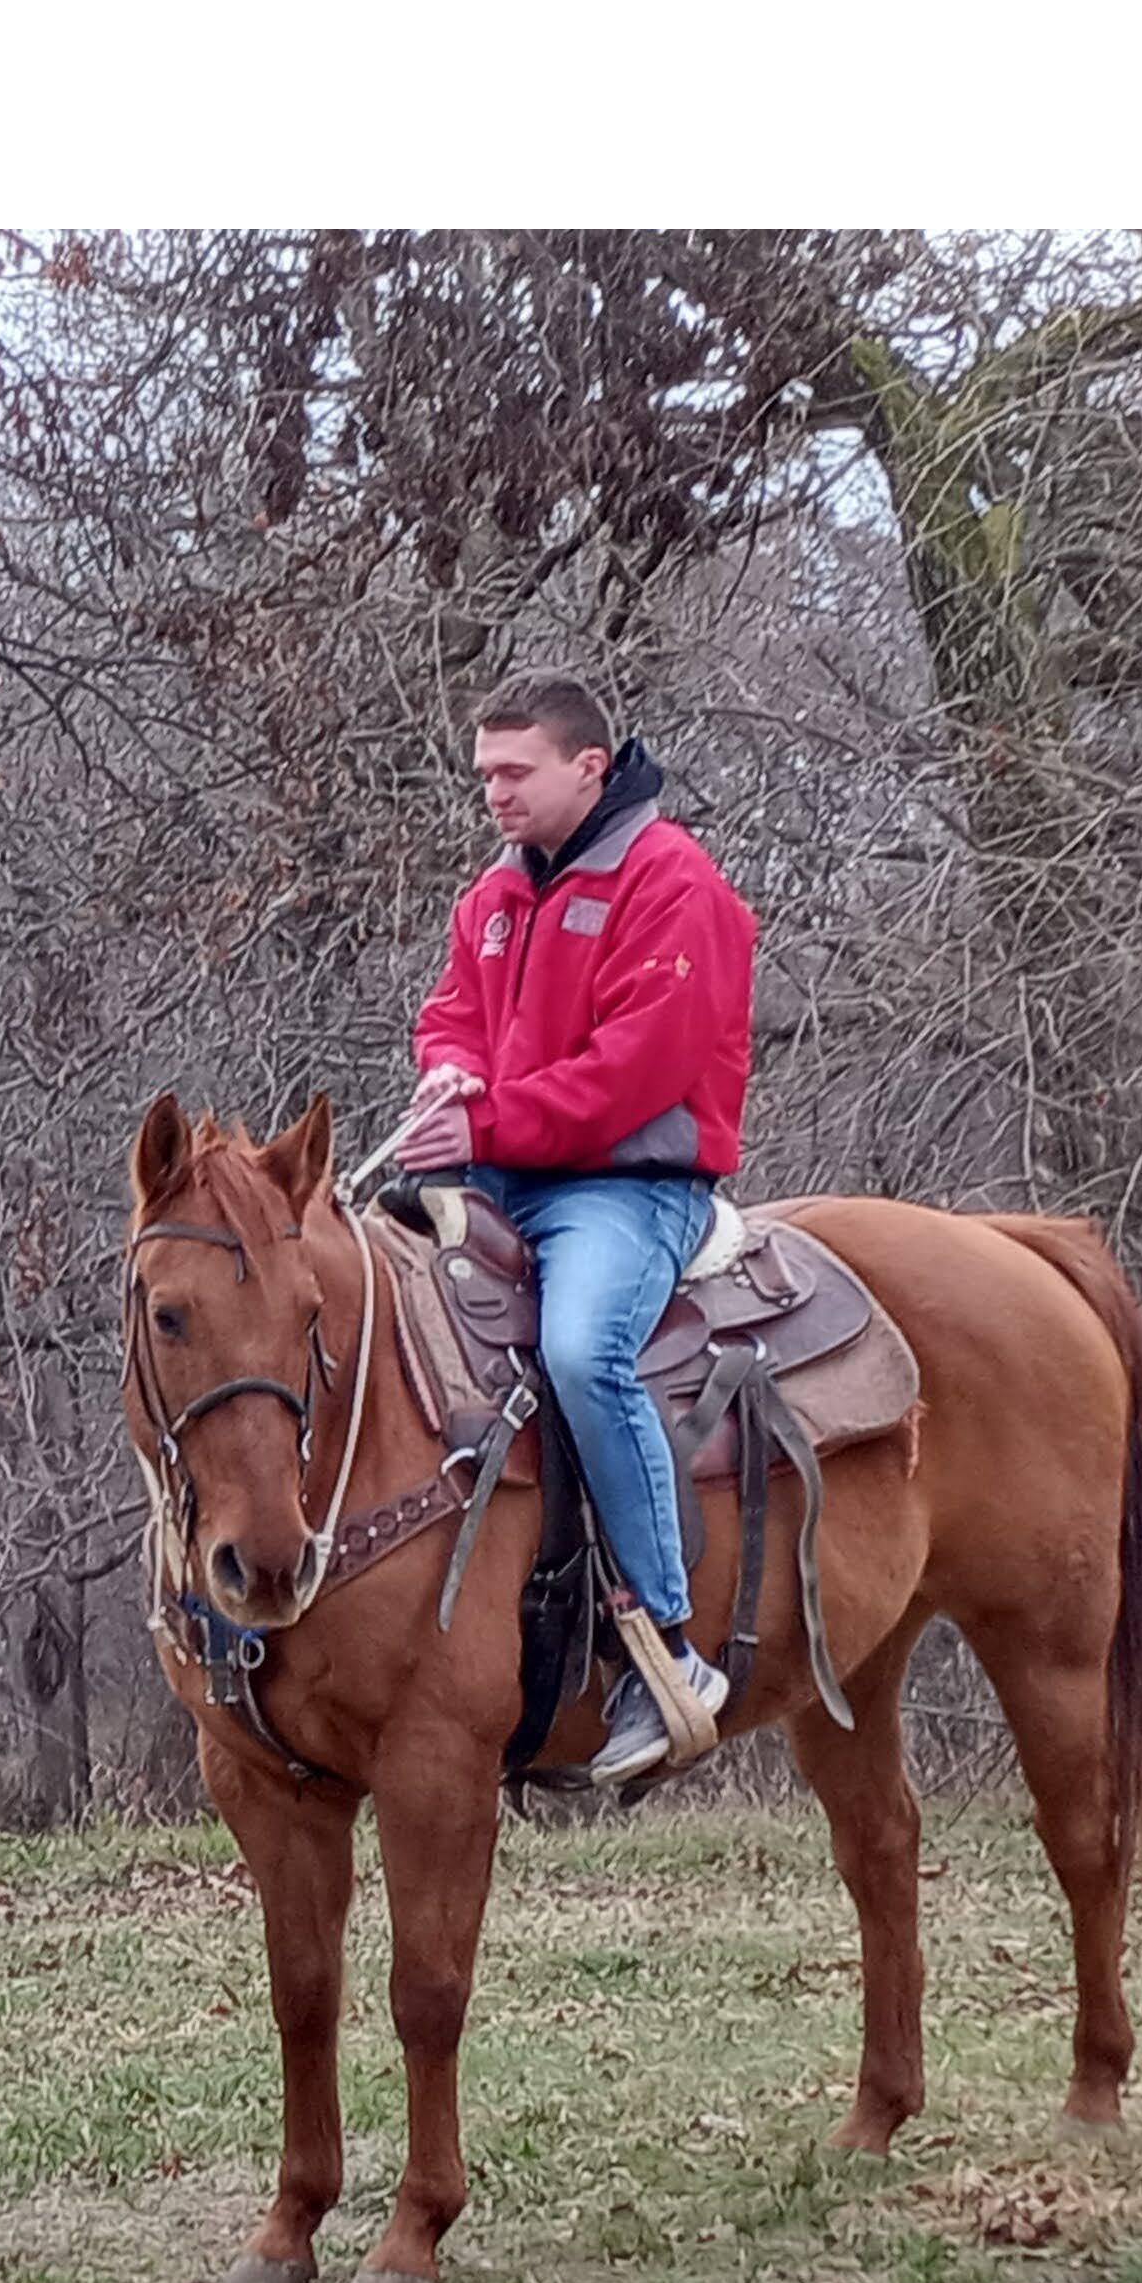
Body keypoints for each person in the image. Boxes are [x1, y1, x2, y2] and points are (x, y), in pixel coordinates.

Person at [369, 676, 760, 1780]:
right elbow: (452, 1012)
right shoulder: (494, 894)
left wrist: (486, 1115)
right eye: (484, 772)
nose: (491, 792)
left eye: (513, 772)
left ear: (588, 766)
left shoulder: (675, 885)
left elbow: (635, 1074)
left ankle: (665, 1650)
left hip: (625, 1188)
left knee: (585, 1353)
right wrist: (450, 1074)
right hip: (499, 1171)